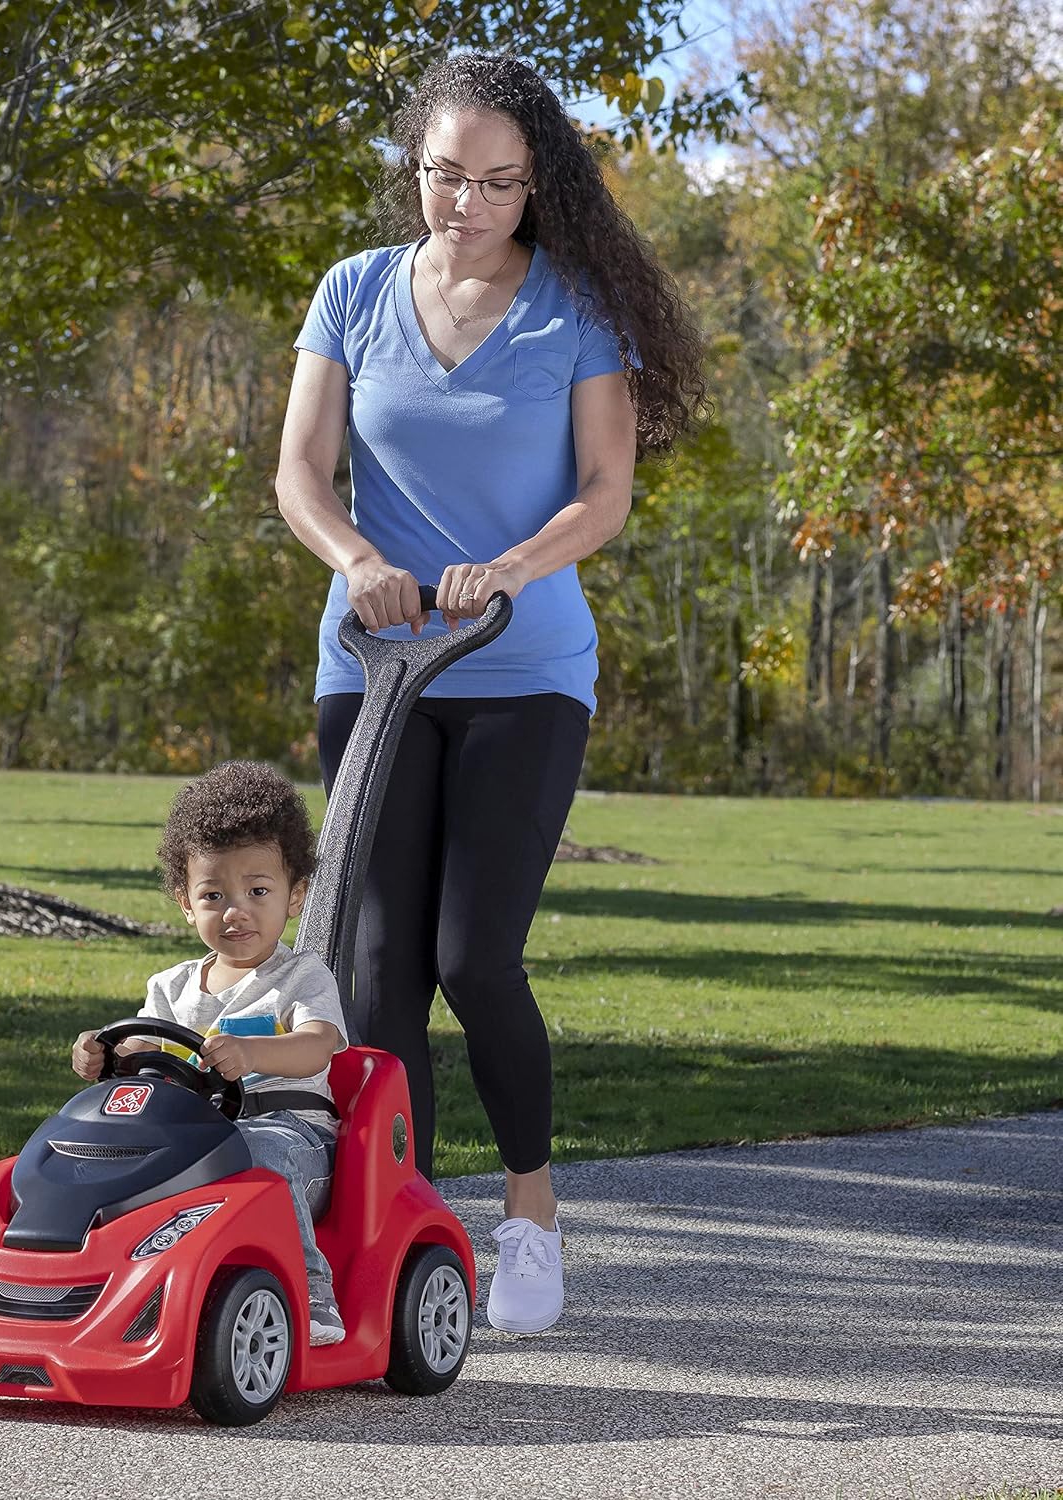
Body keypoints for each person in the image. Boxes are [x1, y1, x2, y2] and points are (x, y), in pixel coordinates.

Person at [275, 53, 705, 1335]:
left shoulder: (576, 307)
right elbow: (301, 472)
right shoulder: (353, 292)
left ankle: (530, 1215)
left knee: (473, 955)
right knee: (377, 968)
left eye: (498, 183)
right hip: (375, 664)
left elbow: (604, 490)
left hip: (523, 670)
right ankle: (404, 1227)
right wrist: (361, 560)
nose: (466, 203)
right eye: (445, 175)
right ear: (417, 162)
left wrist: (504, 573)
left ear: (539, 186)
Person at [71, 760, 349, 1347]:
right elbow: (143, 1054)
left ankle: (313, 1289)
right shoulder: (169, 988)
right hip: (192, 1141)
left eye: (257, 891)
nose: (235, 910)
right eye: (214, 894)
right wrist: (104, 1057)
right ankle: (94, 1287)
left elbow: (318, 1047)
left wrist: (252, 1051)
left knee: (259, 1149)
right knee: (98, 1150)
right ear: (184, 900)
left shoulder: (300, 977)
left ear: (295, 896)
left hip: (292, 1137)